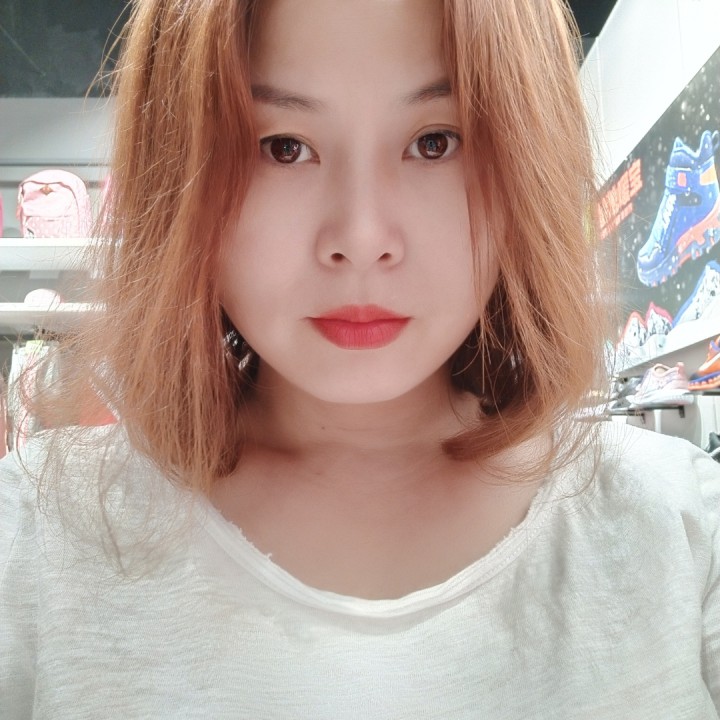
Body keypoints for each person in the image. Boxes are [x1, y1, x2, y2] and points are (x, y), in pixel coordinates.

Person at [1, 0, 718, 717]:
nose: (362, 237)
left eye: (435, 142)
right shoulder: (39, 534)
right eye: (283, 147)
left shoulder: (676, 525)